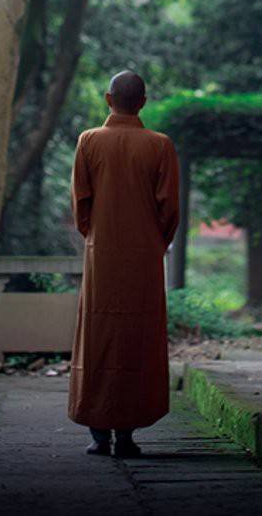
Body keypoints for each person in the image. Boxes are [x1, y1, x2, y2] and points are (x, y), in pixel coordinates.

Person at [68, 70, 179, 458]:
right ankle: (127, 436)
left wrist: (98, 236)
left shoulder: (89, 142)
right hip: (144, 258)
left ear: (107, 98)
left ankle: (99, 435)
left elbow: (81, 204)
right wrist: (152, 243)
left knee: (99, 336)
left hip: (103, 255)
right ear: (144, 102)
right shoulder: (160, 146)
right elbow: (170, 209)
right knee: (137, 338)